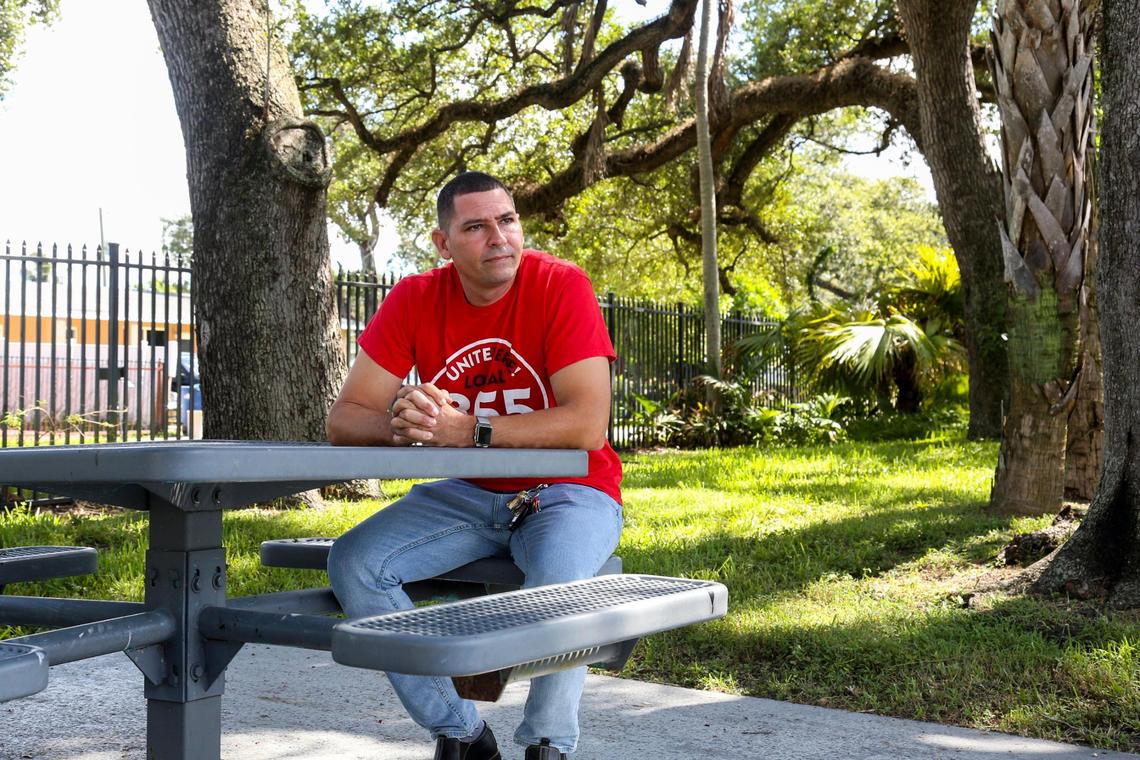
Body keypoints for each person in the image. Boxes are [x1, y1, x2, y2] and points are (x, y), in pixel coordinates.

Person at [325, 170, 624, 760]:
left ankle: (547, 746)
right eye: (477, 226)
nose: (500, 238)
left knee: (558, 588)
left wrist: (470, 430)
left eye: (507, 220)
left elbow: (588, 423)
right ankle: (462, 733)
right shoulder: (415, 297)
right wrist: (408, 423)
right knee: (356, 562)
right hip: (468, 494)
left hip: (571, 490)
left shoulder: (561, 286)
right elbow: (345, 418)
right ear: (443, 244)